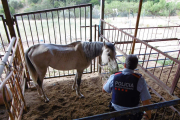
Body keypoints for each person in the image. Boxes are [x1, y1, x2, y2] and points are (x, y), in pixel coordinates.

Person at [102, 54, 151, 120]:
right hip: (133, 116)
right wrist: (148, 115)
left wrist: (106, 81)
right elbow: (146, 101)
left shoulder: (114, 77)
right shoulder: (140, 80)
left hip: (116, 115)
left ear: (124, 65)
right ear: (135, 66)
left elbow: (104, 90)